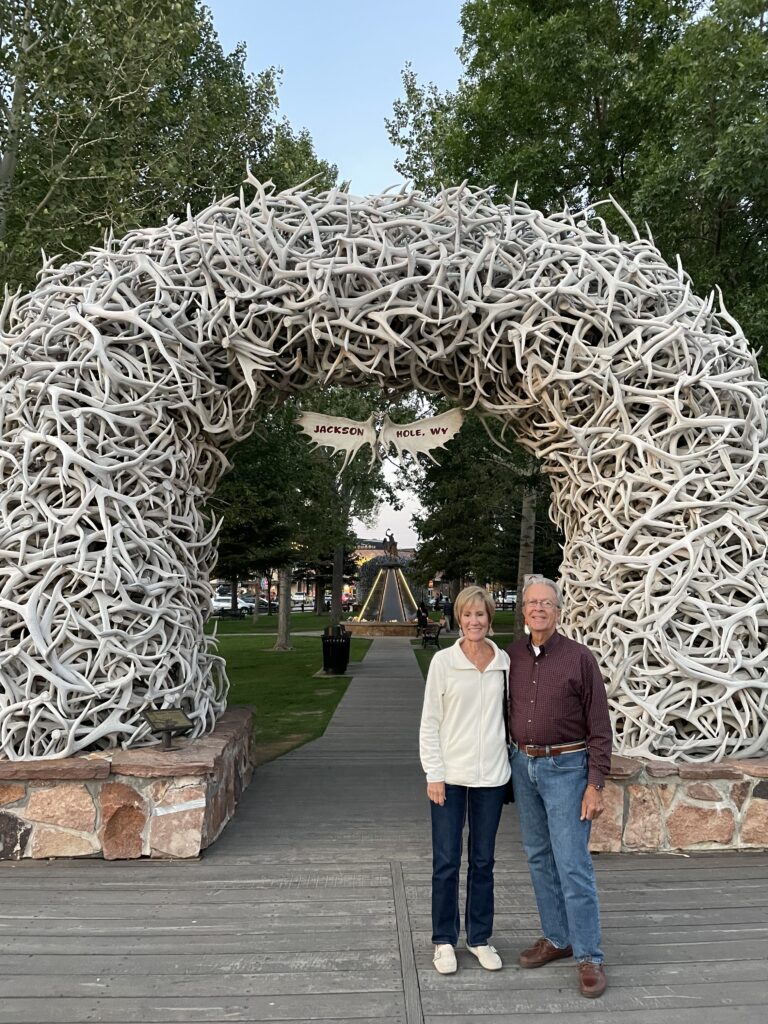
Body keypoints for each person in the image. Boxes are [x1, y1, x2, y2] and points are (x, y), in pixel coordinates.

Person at [506, 575, 612, 999]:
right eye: (531, 603)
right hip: (523, 765)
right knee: (537, 857)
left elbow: (600, 728)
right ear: (524, 610)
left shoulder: (579, 658)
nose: (538, 609)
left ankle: (589, 956)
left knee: (572, 864)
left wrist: (595, 783)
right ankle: (557, 937)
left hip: (567, 767)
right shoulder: (510, 656)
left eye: (546, 603)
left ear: (558, 610)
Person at [419, 585, 511, 976]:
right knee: (446, 861)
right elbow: (430, 723)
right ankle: (444, 940)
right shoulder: (443, 661)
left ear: (490, 618)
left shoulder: (504, 662)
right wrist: (434, 773)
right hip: (450, 779)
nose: (475, 622)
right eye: (468, 615)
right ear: (459, 618)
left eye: (481, 615)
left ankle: (478, 938)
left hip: (491, 776)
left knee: (483, 861)